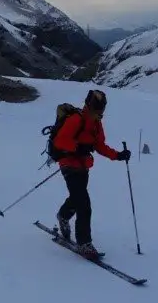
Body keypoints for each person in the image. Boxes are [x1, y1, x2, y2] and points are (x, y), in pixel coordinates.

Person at [52, 89, 130, 260]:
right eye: (97, 110)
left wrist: (117, 155)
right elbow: (60, 141)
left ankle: (63, 216)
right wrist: (78, 148)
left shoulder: (96, 124)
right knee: (84, 204)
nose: (100, 114)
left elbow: (99, 145)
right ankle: (84, 243)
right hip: (69, 164)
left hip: (83, 165)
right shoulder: (76, 119)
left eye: (101, 110)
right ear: (88, 106)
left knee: (77, 197)